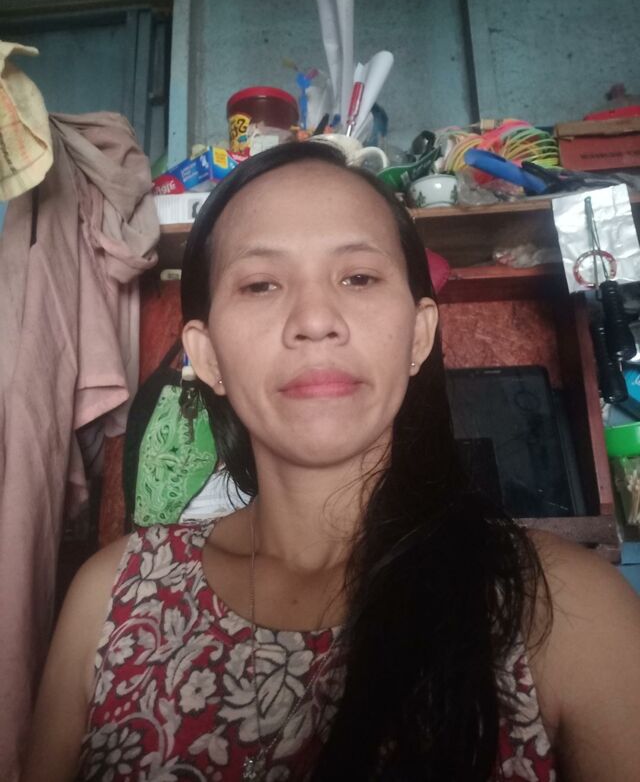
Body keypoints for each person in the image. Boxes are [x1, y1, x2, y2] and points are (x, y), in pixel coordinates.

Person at [23, 142, 640, 782]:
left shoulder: (568, 611)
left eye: (359, 278)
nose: (316, 320)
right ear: (207, 357)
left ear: (418, 336)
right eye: (261, 284)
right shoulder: (109, 601)